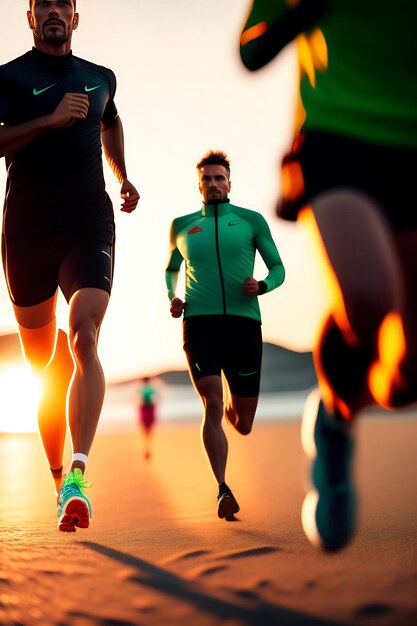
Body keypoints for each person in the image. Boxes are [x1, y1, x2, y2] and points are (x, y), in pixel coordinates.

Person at [239, 0, 417, 549]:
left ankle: (337, 410)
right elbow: (252, 49)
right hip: (336, 138)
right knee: (366, 295)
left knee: (407, 377)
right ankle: (338, 425)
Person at [0, 0, 139, 532]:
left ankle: (78, 475)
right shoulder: (11, 78)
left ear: (76, 17)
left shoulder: (101, 77)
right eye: (44, 4)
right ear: (30, 17)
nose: (54, 10)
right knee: (44, 369)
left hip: (88, 224)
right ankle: (58, 476)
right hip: (27, 234)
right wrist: (49, 120)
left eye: (64, 3)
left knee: (83, 338)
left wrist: (122, 174)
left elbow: (110, 122)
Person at [165, 150, 285, 521]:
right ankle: (222, 488)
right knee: (211, 403)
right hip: (199, 324)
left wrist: (262, 285)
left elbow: (278, 267)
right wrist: (173, 295)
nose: (213, 184)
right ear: (198, 184)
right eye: (207, 179)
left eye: (219, 178)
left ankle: (236, 407)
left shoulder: (251, 222)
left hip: (244, 325)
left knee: (243, 422)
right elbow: (171, 269)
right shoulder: (181, 226)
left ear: (229, 183)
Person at [137, 376, 158, 460]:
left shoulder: (142, 389)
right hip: (149, 409)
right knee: (149, 430)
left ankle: (147, 448)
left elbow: (139, 400)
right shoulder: (150, 388)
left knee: (145, 430)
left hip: (144, 410)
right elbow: (156, 397)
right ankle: (147, 448)